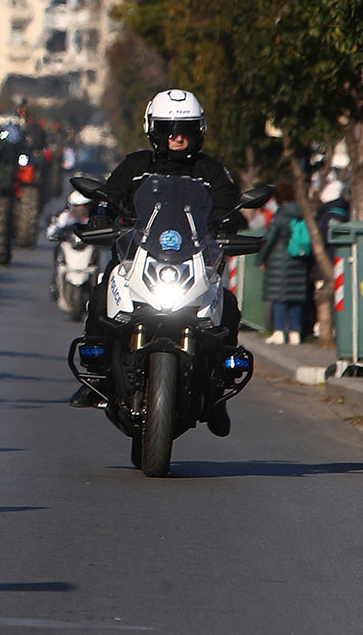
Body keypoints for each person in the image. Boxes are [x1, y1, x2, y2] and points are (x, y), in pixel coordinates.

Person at [70, 89, 243, 438]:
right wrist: (100, 218)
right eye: (168, 128)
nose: (176, 137)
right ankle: (96, 375)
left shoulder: (210, 171)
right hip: (137, 259)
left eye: (185, 129)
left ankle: (219, 393)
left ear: (199, 130)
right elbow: (109, 199)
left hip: (193, 263)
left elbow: (229, 207)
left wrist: (227, 225)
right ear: (154, 130)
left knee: (229, 306)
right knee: (102, 292)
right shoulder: (135, 166)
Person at [258, 182, 312, 344]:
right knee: (296, 297)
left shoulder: (281, 214)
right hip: (300, 259)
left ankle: (279, 331)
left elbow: (270, 237)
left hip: (279, 260)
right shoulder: (303, 212)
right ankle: (295, 332)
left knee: (279, 297)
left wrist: (261, 258)